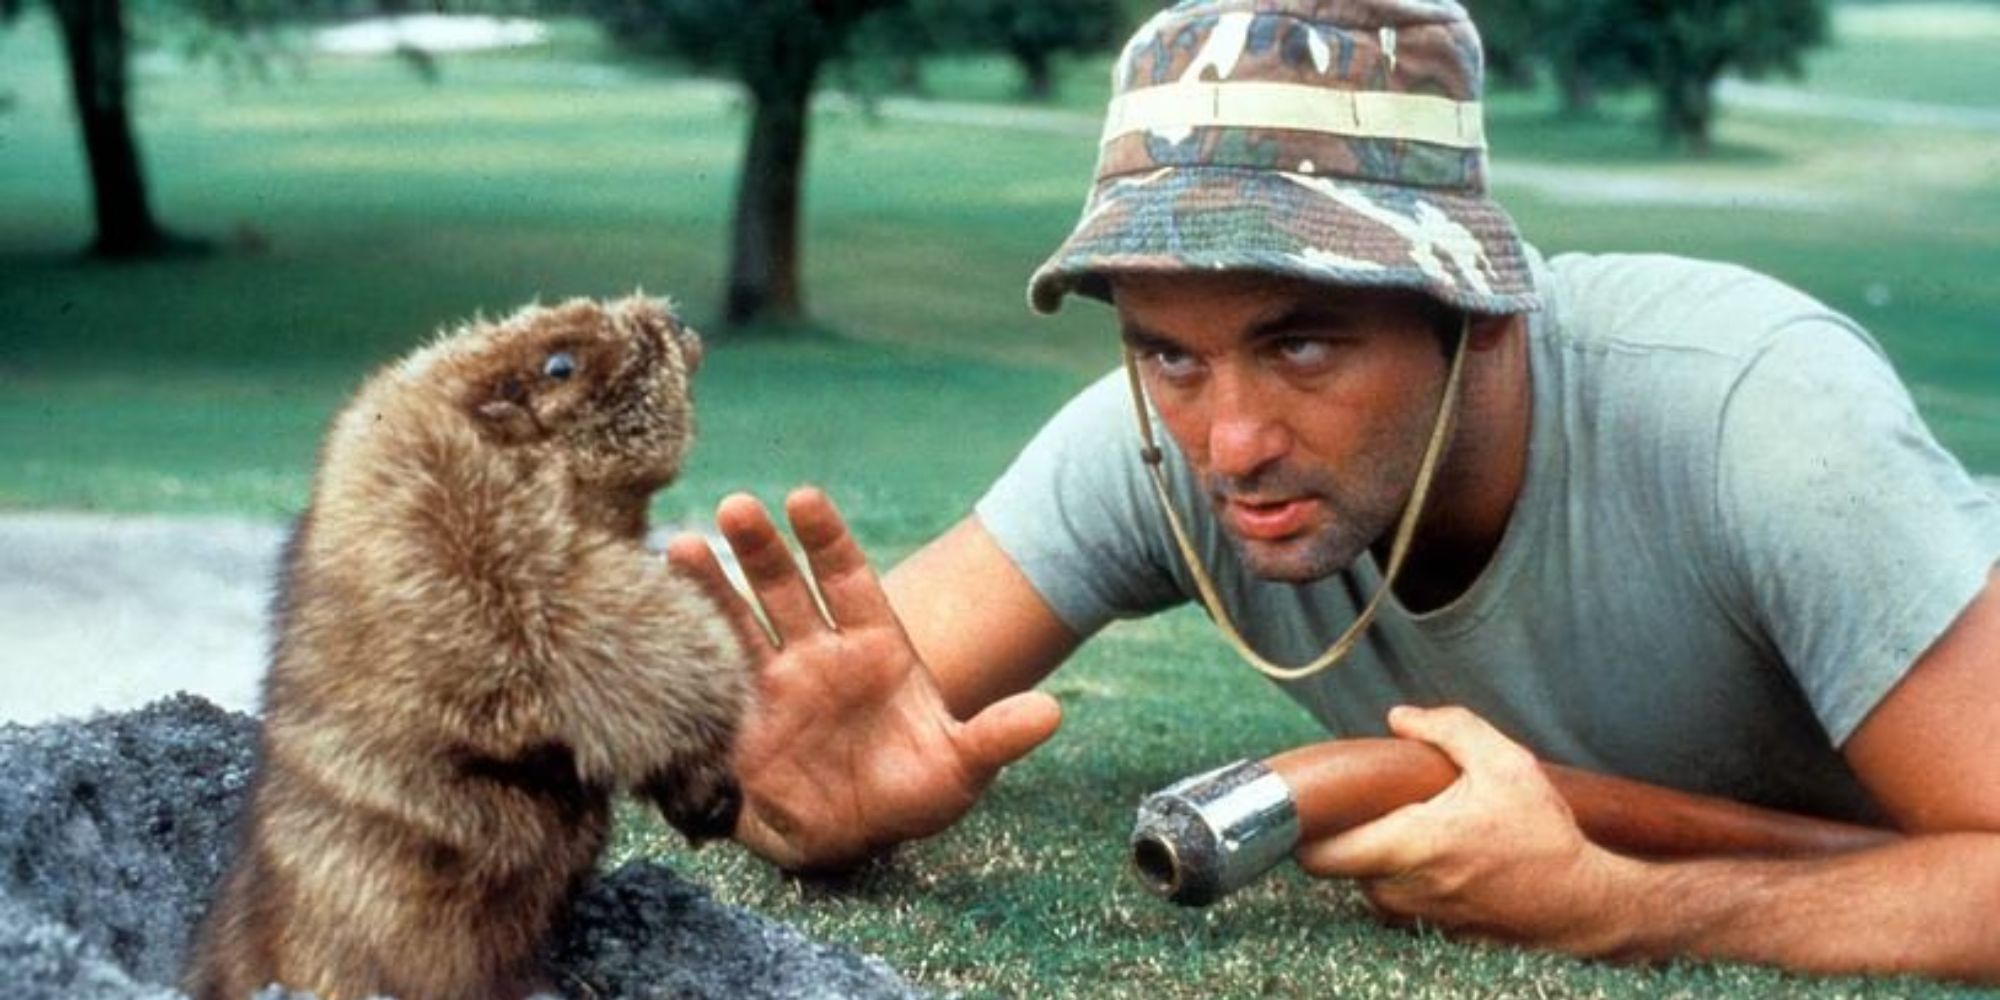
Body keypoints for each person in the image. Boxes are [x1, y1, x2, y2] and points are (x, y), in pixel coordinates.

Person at [665, 0, 2000, 983]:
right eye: (1167, 351)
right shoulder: (1161, 438)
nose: (1231, 440)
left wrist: (1629, 908)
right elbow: (862, 707)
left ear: (1474, 306)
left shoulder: (1758, 417)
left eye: (1302, 342)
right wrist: (782, 794)